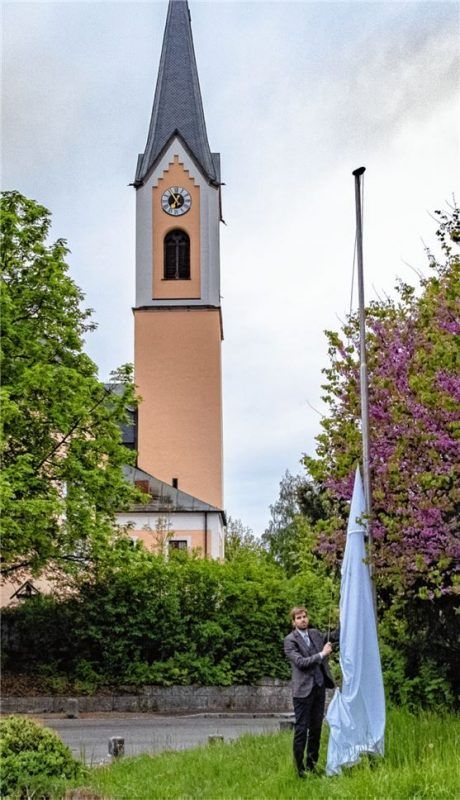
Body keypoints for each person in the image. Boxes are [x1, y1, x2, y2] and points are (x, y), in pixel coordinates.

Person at [284, 605, 339, 777]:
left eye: (304, 616)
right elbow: (301, 662)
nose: (303, 620)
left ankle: (312, 766)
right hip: (302, 692)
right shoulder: (290, 640)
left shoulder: (315, 634)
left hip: (319, 688)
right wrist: (322, 654)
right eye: (299, 618)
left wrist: (343, 618)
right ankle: (299, 770)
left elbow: (334, 637)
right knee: (301, 730)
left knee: (316, 729)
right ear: (293, 622)